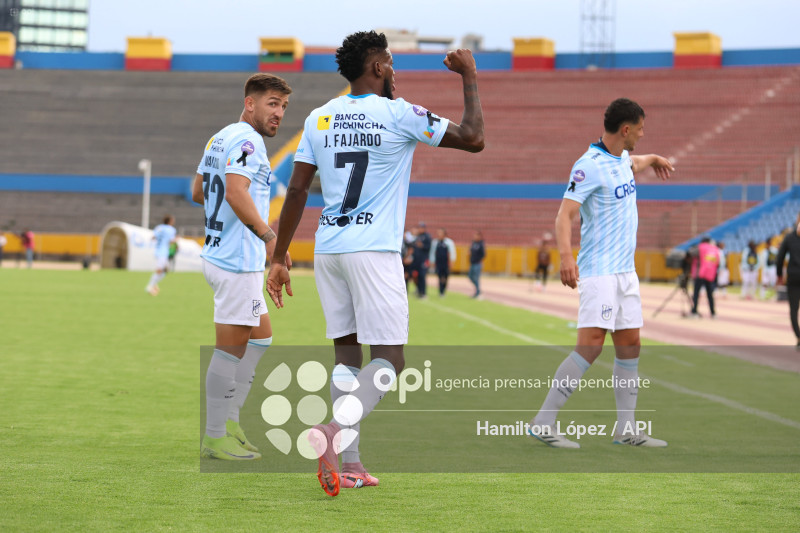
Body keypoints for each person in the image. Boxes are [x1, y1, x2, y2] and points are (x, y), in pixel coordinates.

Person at [266, 30, 484, 497]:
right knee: (391, 361)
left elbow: (298, 191)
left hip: (329, 249)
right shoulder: (398, 114)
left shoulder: (319, 117)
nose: (394, 69)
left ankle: (353, 463)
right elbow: (473, 138)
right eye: (390, 62)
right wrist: (469, 76)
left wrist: (279, 253)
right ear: (379, 67)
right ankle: (329, 431)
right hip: (374, 250)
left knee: (347, 356)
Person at [528, 98, 674, 448]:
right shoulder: (588, 165)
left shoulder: (622, 158)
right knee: (591, 345)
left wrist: (652, 159)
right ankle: (543, 422)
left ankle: (626, 430)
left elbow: (634, 161)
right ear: (625, 130)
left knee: (630, 345)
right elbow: (564, 215)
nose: (642, 133)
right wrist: (566, 257)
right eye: (640, 128)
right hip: (599, 272)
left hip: (626, 273)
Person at [191, 73, 292, 461]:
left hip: (221, 253)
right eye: (271, 103)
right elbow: (234, 191)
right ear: (249, 102)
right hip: (236, 262)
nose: (278, 113)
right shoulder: (249, 142)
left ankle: (229, 422)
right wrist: (270, 240)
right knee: (230, 351)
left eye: (283, 106)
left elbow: (198, 191)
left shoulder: (220, 137)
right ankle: (215, 436)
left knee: (261, 337)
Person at [777, 214, 800, 348]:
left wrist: (779, 275)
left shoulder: (789, 237)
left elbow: (780, 258)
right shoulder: (789, 237)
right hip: (794, 277)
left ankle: (798, 336)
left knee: (793, 309)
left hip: (793, 276)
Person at [145, 215, 177, 296]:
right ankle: (150, 286)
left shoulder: (158, 227)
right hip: (163, 252)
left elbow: (153, 237)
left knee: (166, 270)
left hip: (158, 250)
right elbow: (171, 241)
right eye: (173, 220)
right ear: (170, 221)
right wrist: (176, 240)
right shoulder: (171, 229)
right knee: (159, 269)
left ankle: (154, 284)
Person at [690, 236, 719, 318]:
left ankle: (694, 311)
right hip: (710, 274)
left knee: (696, 293)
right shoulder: (714, 249)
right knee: (710, 294)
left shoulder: (700, 247)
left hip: (700, 273)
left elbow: (691, 254)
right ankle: (713, 312)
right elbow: (717, 262)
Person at [430, 228, 456, 297]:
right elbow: (432, 253)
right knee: (440, 276)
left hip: (446, 263)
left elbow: (452, 252)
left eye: (440, 233)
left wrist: (451, 262)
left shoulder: (449, 243)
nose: (439, 235)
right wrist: (432, 261)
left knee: (445, 277)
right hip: (438, 263)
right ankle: (441, 291)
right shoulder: (435, 242)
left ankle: (443, 289)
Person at [412, 222, 432, 298]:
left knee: (422, 276)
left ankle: (423, 293)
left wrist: (422, 246)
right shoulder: (417, 236)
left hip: (423, 260)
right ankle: (419, 291)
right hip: (416, 260)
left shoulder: (427, 236)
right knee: (416, 276)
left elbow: (428, 247)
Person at [760, 236, 779, 300]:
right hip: (766, 269)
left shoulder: (773, 250)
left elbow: (778, 253)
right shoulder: (764, 251)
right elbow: (762, 261)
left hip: (772, 268)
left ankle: (775, 296)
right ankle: (763, 295)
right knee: (765, 282)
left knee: (773, 282)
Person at [468, 230, 485, 298]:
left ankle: (477, 292)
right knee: (470, 276)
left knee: (476, 278)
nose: (475, 237)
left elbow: (483, 254)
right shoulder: (473, 243)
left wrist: (477, 259)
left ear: (479, 236)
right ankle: (478, 289)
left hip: (477, 264)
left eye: (476, 235)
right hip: (472, 263)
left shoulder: (481, 244)